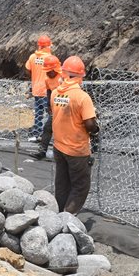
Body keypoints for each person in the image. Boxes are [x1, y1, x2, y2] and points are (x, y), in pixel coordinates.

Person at [32, 55, 99, 214]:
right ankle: (67, 216)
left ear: (64, 73)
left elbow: (55, 114)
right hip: (77, 150)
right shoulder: (82, 97)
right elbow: (89, 124)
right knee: (81, 185)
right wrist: (97, 129)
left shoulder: (55, 93)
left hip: (59, 147)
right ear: (80, 76)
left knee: (62, 184)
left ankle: (57, 215)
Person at [24, 34, 54, 137]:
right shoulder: (50, 58)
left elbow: (28, 69)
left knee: (38, 113)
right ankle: (47, 135)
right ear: (47, 46)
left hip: (36, 90)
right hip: (47, 91)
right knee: (51, 114)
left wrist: (35, 77)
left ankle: (37, 133)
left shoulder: (32, 57)